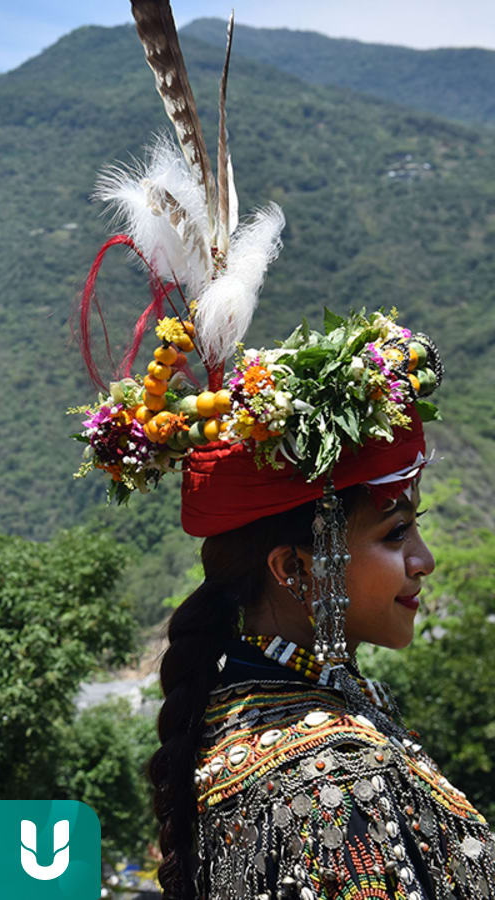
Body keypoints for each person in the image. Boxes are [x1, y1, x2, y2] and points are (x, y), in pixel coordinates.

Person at [73, 3, 493, 897]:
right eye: (392, 534)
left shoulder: (263, 721)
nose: (423, 561)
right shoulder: (336, 783)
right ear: (294, 568)